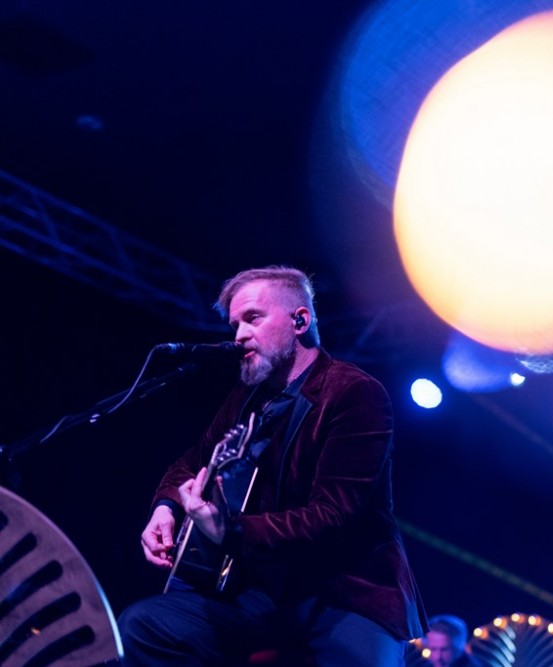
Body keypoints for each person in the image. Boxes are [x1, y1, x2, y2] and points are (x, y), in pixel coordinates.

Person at [118, 265, 426, 666]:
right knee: (144, 626)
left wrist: (231, 531)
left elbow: (333, 515)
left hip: (345, 593)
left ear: (300, 321)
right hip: (263, 593)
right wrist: (166, 508)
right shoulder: (247, 397)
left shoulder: (354, 393)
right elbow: (191, 462)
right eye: (235, 325)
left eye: (253, 318)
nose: (239, 335)